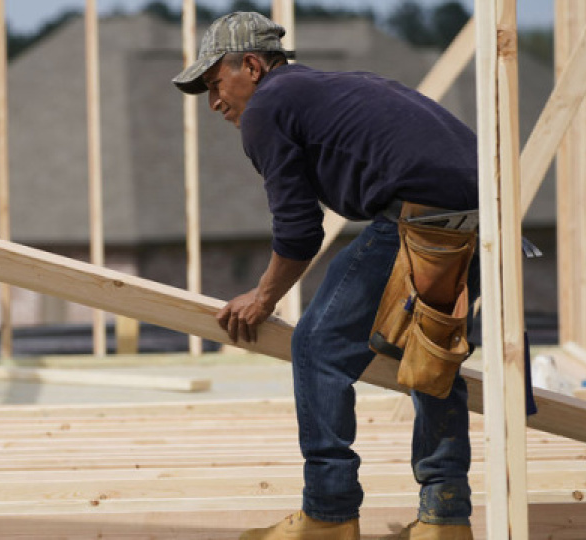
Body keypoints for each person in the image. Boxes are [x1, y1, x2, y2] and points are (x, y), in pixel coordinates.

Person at [172, 12, 479, 540]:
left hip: (418, 216)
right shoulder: (330, 88)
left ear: (251, 65)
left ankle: (329, 513)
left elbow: (298, 231)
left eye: (215, 83)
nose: (214, 102)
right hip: (480, 216)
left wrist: (263, 297)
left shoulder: (268, 107)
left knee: (316, 348)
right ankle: (445, 518)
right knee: (431, 354)